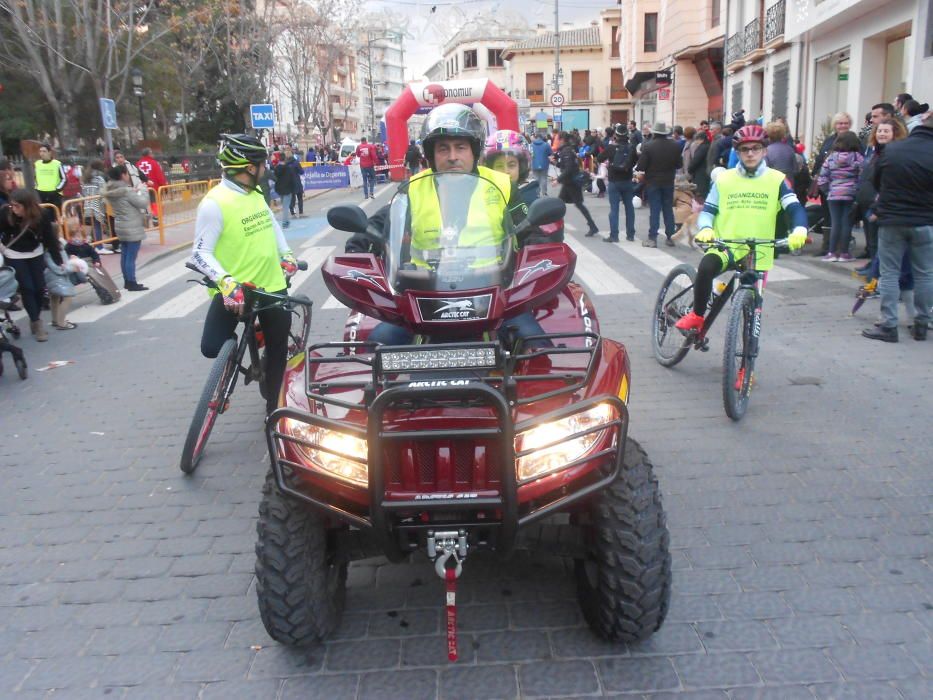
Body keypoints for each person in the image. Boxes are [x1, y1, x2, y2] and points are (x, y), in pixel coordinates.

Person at [353, 105, 548, 348]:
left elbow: (529, 231)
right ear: (431, 154)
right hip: (423, 295)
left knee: (537, 346)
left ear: (474, 150)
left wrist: (541, 254)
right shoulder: (413, 189)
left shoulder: (501, 185)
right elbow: (378, 224)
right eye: (443, 148)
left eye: (461, 147)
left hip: (493, 293)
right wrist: (358, 248)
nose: (452, 156)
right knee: (375, 348)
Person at [190, 134, 299, 412]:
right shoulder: (215, 203)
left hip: (271, 286)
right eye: (262, 164)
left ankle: (274, 412)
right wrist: (226, 282)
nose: (265, 169)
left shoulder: (255, 193)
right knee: (211, 348)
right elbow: (200, 253)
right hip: (236, 290)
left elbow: (272, 225)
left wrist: (286, 255)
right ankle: (235, 355)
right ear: (250, 168)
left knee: (277, 351)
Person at [674, 125, 808, 347]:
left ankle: (746, 367)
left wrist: (800, 229)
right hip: (727, 245)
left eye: (756, 148)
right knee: (707, 267)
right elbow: (708, 210)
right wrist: (706, 228)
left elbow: (794, 208)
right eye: (744, 149)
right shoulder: (725, 180)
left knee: (752, 311)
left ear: (765, 151)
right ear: (737, 152)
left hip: (758, 251)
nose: (750, 153)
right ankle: (697, 316)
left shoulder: (776, 180)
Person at [861, 114, 933, 342]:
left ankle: (889, 325)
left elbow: (875, 180)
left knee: (890, 273)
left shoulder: (893, 151)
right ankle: (921, 322)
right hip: (924, 221)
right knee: (924, 273)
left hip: (892, 219)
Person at [0, 188, 57, 340]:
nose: (14, 209)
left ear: (27, 205)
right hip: (14, 254)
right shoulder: (6, 214)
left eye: (17, 206)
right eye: (12, 205)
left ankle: (35, 316)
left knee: (39, 288)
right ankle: (36, 322)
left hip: (35, 253)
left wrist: (58, 260)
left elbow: (50, 238)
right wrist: (2, 248)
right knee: (27, 288)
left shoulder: (41, 215)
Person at [855, 118, 907, 268]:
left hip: (881, 205)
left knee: (883, 244)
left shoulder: (895, 153)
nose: (881, 134)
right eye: (879, 131)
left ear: (895, 133)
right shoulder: (873, 151)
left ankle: (879, 275)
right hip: (866, 201)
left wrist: (878, 204)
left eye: (886, 131)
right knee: (872, 241)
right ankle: (874, 269)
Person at [809, 112, 852, 256]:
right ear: (835, 125)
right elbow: (820, 159)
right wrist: (816, 176)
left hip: (844, 186)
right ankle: (826, 247)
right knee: (828, 216)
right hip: (827, 185)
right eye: (840, 123)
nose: (843, 126)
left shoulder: (853, 140)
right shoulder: (829, 140)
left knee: (842, 218)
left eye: (845, 123)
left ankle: (839, 248)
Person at [817, 131, 863, 262]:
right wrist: (857, 191)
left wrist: (828, 191)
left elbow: (822, 177)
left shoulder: (831, 157)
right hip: (850, 194)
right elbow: (863, 176)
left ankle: (831, 252)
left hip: (833, 194)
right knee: (846, 223)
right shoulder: (857, 157)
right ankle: (844, 253)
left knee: (835, 223)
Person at [103, 165, 150, 291]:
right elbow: (142, 203)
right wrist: (143, 190)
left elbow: (126, 201)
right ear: (123, 175)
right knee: (131, 256)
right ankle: (132, 282)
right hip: (132, 226)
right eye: (127, 174)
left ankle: (127, 280)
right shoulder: (126, 191)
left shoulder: (112, 191)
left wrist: (134, 191)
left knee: (125, 255)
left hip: (120, 225)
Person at [636, 122, 683, 247]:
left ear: (654, 133)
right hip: (668, 181)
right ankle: (670, 236)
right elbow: (679, 165)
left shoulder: (648, 146)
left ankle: (652, 238)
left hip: (653, 182)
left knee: (655, 209)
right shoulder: (675, 145)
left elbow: (641, 166)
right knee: (668, 209)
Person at [597, 124, 637, 242]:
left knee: (614, 209)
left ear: (616, 135)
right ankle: (630, 234)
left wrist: (610, 162)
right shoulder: (631, 147)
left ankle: (614, 235)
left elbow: (599, 158)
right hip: (627, 180)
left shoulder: (611, 147)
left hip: (614, 181)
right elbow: (635, 162)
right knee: (629, 207)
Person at [556, 131, 600, 237]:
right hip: (569, 182)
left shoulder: (566, 151)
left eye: (558, 139)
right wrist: (555, 162)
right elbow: (565, 165)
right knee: (560, 204)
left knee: (577, 204)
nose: (556, 141)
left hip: (572, 182)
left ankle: (593, 226)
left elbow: (569, 168)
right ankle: (556, 226)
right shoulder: (567, 149)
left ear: (562, 140)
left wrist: (558, 179)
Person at [80, 159, 110, 251]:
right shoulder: (99, 178)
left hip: (88, 204)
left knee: (94, 224)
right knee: (97, 225)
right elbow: (104, 191)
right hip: (97, 204)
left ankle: (95, 243)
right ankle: (99, 246)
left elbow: (83, 191)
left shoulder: (86, 178)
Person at [136, 148, 167, 225]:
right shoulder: (154, 163)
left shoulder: (138, 164)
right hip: (154, 187)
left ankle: (145, 219)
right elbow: (159, 176)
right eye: (152, 153)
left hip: (142, 187)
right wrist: (164, 186)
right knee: (154, 204)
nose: (153, 154)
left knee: (144, 204)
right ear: (149, 154)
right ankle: (155, 220)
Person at [33, 143, 66, 211]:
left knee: (57, 215)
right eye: (40, 151)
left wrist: (57, 190)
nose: (41, 153)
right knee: (45, 215)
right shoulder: (37, 164)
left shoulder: (57, 164)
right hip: (41, 193)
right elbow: (35, 177)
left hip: (54, 194)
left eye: (44, 151)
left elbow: (64, 179)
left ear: (50, 152)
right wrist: (37, 188)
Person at [687, 130, 712, 200]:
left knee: (700, 196)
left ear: (700, 139)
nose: (696, 143)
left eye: (696, 140)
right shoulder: (710, 145)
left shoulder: (702, 148)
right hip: (706, 173)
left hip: (700, 175)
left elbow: (696, 160)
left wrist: (690, 169)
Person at [282, 145, 305, 217]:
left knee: (291, 199)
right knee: (300, 198)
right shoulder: (296, 162)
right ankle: (301, 213)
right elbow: (301, 172)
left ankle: (293, 213)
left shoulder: (284, 164)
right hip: (297, 182)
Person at [530, 132, 553, 196]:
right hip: (544, 164)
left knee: (536, 179)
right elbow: (551, 153)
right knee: (544, 178)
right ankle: (544, 192)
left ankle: (537, 194)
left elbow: (529, 154)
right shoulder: (546, 145)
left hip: (534, 164)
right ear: (541, 138)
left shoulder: (531, 145)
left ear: (536, 137)